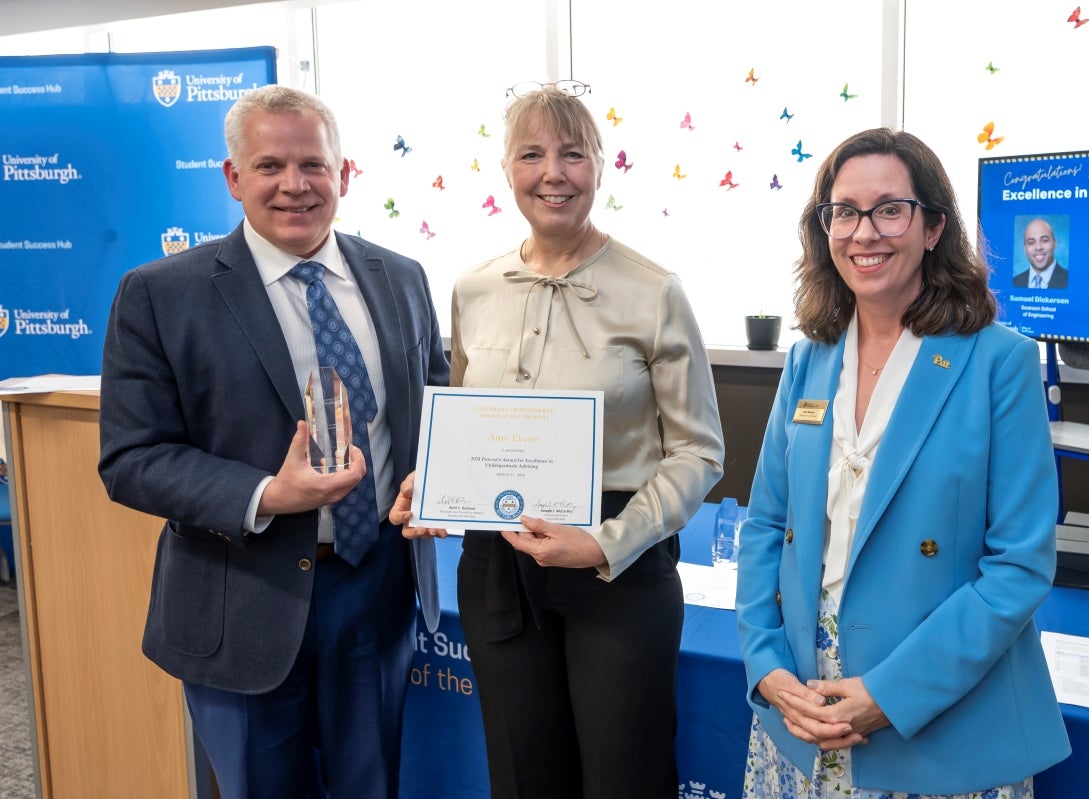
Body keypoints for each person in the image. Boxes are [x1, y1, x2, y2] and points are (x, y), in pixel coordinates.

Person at [98, 85, 449, 798]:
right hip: (241, 596)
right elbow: (131, 458)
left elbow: (434, 407)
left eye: (314, 165)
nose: (295, 185)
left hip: (376, 589)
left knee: (370, 784)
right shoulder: (161, 293)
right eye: (269, 166)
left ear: (344, 175)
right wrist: (267, 493)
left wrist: (436, 478)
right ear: (233, 178)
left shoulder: (403, 277)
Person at [394, 81, 724, 799]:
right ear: (507, 170)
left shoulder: (654, 288)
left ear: (601, 167)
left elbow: (699, 451)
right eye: (533, 154)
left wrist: (605, 542)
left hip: (618, 565)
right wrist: (434, 478)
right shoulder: (475, 287)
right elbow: (462, 420)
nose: (554, 173)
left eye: (574, 154)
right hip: (496, 567)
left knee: (623, 775)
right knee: (521, 773)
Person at [736, 127, 1070, 798]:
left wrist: (888, 695)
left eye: (890, 209)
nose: (866, 232)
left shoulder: (997, 361)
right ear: (824, 229)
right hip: (802, 710)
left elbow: (1018, 567)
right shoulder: (808, 358)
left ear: (933, 227)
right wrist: (766, 666)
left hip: (939, 721)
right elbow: (765, 525)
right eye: (845, 212)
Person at [1013, 217, 1068, 288]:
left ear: (1055, 244)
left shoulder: (1069, 279)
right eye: (1031, 242)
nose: (1038, 247)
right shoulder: (1015, 282)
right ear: (1024, 248)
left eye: (1044, 240)